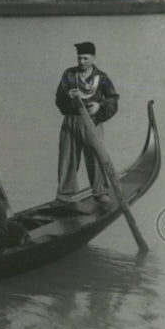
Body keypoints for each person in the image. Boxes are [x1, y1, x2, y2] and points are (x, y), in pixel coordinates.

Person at [55, 41, 119, 208]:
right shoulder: (69, 74)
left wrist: (100, 106)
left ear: (93, 57)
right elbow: (58, 99)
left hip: (92, 122)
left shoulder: (102, 78)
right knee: (67, 158)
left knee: (96, 157)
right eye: (79, 58)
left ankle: (100, 193)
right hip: (71, 120)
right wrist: (67, 95)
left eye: (85, 58)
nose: (81, 61)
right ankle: (65, 196)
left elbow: (113, 100)